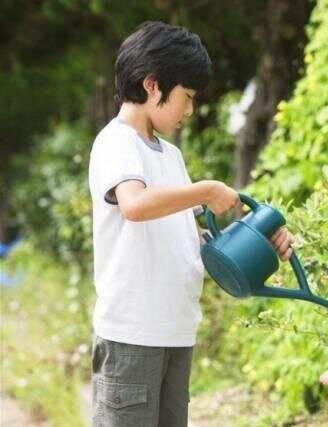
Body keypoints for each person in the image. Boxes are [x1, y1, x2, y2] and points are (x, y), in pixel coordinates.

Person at [88, 21, 294, 427]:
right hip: (133, 335)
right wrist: (204, 191)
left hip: (175, 332)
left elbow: (190, 238)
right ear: (152, 85)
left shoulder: (170, 156)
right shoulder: (116, 142)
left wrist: (260, 243)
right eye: (187, 96)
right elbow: (135, 204)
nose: (189, 110)